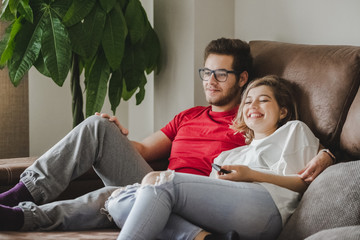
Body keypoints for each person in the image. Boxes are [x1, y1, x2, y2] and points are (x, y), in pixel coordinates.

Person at [0, 38, 333, 239]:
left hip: (204, 198)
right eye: (206, 73)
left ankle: (21, 218)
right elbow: (143, 150)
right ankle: (18, 198)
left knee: (111, 196)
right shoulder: (189, 116)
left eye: (221, 74)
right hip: (157, 181)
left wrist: (328, 155)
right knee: (98, 127)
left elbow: (295, 157)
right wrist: (113, 134)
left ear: (241, 78)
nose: (211, 81)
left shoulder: (246, 130)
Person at [110, 75, 321, 240]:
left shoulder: (294, 130)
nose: (253, 106)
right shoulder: (230, 154)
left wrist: (251, 175)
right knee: (118, 202)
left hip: (268, 210)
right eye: (247, 102)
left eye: (263, 100)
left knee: (159, 181)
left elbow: (303, 184)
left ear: (282, 111)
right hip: (226, 215)